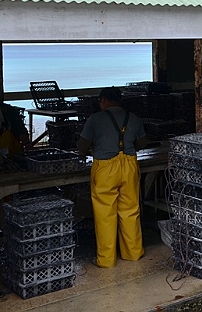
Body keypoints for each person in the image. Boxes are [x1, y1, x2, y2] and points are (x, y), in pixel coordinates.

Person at [77, 86, 148, 269]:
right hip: (129, 165)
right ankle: (133, 253)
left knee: (105, 214)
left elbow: (82, 147)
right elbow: (142, 143)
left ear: (103, 100)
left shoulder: (94, 120)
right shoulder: (134, 118)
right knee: (130, 210)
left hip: (105, 167)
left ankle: (106, 259)